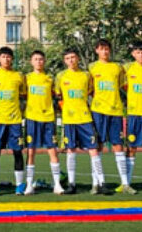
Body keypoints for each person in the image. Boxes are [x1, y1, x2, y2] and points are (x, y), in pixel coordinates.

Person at [55, 48, 101, 195]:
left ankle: (98, 183)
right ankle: (72, 184)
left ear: (78, 59)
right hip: (69, 119)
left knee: (93, 149)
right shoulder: (60, 76)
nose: (71, 60)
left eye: (73, 57)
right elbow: (58, 96)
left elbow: (91, 92)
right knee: (70, 150)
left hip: (85, 118)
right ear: (64, 61)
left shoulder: (86, 75)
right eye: (68, 58)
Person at [88, 39, 127, 195]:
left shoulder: (117, 67)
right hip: (98, 111)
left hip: (116, 111)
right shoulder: (91, 67)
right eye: (101, 49)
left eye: (107, 49)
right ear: (96, 50)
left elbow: (124, 86)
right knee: (97, 146)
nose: (104, 52)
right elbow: (89, 88)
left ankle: (125, 183)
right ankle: (95, 183)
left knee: (118, 145)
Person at [0, 47, 27, 196]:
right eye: (3, 56)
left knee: (17, 152)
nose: (6, 59)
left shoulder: (18, 76)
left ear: (12, 59)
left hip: (15, 120)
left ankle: (20, 185)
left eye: (9, 57)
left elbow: (23, 95)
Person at [23, 50, 64, 195]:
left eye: (41, 59)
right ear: (31, 62)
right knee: (31, 151)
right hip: (32, 118)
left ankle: (57, 184)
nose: (38, 62)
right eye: (35, 59)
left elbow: (58, 95)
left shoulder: (50, 79)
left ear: (44, 61)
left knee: (52, 150)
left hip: (48, 118)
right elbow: (21, 94)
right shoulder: (26, 78)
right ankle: (29, 185)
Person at [120, 41, 142, 195]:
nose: (141, 55)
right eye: (138, 52)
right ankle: (126, 183)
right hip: (134, 113)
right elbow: (122, 85)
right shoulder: (127, 68)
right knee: (131, 148)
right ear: (133, 54)